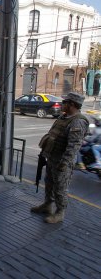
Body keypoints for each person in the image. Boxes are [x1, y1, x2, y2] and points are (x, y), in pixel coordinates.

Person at [32, 92, 89, 223]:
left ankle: (59, 212)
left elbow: (73, 147)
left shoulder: (78, 122)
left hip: (62, 162)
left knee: (60, 188)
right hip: (52, 158)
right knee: (49, 184)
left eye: (65, 102)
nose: (62, 104)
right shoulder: (63, 118)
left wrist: (64, 164)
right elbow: (52, 136)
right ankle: (47, 205)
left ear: (72, 104)